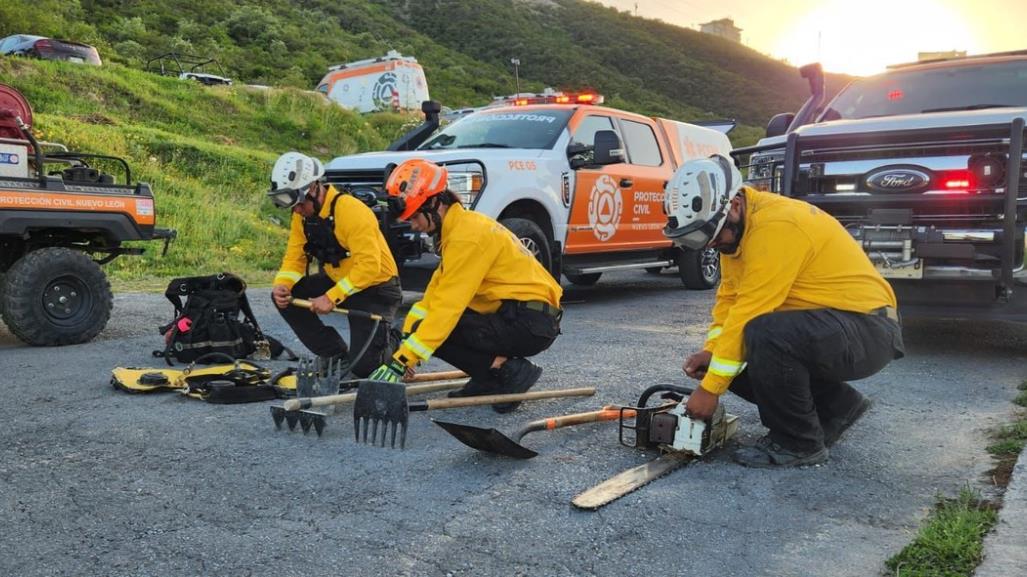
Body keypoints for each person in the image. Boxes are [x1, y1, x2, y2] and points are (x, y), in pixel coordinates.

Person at [663, 154, 905, 468]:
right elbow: (729, 304)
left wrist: (709, 391)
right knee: (729, 354)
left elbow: (749, 312)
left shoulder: (777, 226)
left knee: (763, 333)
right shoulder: (736, 233)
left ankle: (798, 443)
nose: (711, 246)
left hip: (869, 331)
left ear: (734, 205)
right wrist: (711, 354)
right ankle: (838, 407)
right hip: (838, 328)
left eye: (713, 235)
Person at [366, 158, 563, 413]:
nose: (413, 225)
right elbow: (433, 297)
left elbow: (447, 309)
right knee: (427, 327)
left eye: (415, 216)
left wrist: (401, 362)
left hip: (530, 323)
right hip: (521, 315)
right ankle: (489, 376)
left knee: (441, 328)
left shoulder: (466, 238)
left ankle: (507, 371)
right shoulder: (458, 231)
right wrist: (406, 341)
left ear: (435, 204)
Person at [267, 151, 402, 378]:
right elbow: (295, 257)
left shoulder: (351, 211)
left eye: (298, 204)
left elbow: (369, 266)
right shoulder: (302, 215)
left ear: (312, 189)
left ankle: (397, 338)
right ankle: (334, 354)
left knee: (364, 369)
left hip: (376, 287)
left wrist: (331, 297)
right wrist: (283, 284)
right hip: (339, 280)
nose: (296, 211)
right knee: (284, 300)